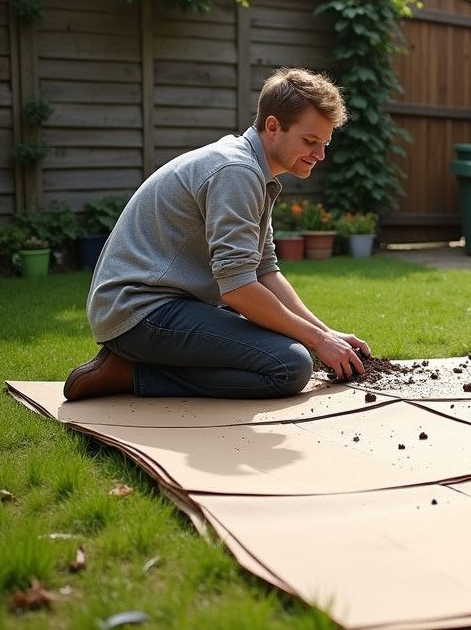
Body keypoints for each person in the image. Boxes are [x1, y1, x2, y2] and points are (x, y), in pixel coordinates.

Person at [62, 68, 371, 401]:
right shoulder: (237, 172)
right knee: (290, 364)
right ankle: (130, 372)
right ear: (272, 126)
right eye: (310, 141)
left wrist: (325, 334)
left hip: (170, 305)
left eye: (324, 144)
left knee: (301, 346)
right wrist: (317, 341)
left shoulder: (251, 169)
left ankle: (140, 364)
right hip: (139, 311)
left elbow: (264, 269)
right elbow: (238, 288)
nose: (320, 155)